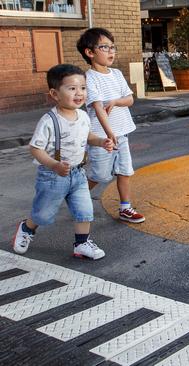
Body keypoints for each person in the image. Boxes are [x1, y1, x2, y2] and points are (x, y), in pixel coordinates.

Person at [12, 64, 114, 260]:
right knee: (43, 213)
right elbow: (35, 148)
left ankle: (82, 243)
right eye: (72, 88)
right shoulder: (49, 120)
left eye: (83, 88)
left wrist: (101, 141)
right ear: (54, 93)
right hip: (52, 176)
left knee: (85, 211)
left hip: (77, 174)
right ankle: (27, 227)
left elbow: (88, 136)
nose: (79, 93)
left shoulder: (83, 116)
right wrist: (54, 165)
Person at [76, 28, 145, 224]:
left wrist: (115, 102)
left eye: (112, 47)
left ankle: (125, 208)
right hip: (102, 138)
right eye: (104, 47)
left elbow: (129, 99)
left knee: (125, 171)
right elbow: (97, 108)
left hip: (122, 134)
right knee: (99, 175)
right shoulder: (89, 78)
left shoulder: (116, 73)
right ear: (90, 52)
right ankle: (76, 197)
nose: (111, 51)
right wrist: (109, 133)